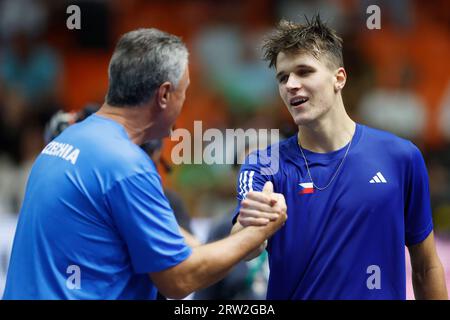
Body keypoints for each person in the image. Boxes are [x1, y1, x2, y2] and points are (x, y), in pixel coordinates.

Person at [3, 28, 287, 300]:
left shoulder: (68, 142)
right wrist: (257, 233)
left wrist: (236, 236)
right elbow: (179, 280)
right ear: (164, 95)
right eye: (183, 92)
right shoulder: (125, 166)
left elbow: (171, 243)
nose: (184, 103)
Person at [231, 16, 448, 300]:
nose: (290, 85)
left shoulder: (401, 156)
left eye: (304, 72)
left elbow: (425, 266)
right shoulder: (263, 164)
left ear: (339, 78)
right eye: (283, 77)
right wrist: (252, 223)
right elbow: (244, 245)